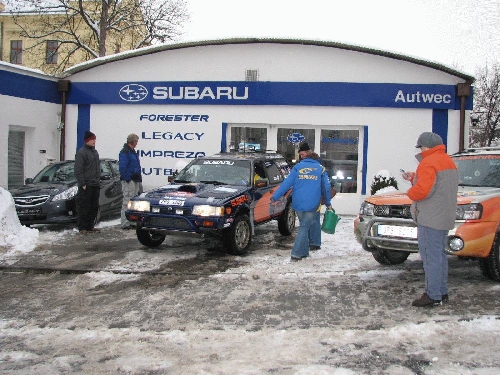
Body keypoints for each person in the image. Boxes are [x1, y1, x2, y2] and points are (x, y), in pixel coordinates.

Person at [402, 132, 458, 307]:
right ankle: (441, 291)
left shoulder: (428, 162)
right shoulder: (448, 161)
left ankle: (433, 295)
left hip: (430, 217)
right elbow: (437, 184)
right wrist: (413, 178)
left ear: (427, 146)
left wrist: (410, 192)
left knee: (430, 257)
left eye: (421, 146)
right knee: (439, 256)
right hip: (444, 216)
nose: (421, 149)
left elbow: (423, 191)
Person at [271, 152, 332, 261]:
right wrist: (328, 203)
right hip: (312, 204)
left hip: (298, 203)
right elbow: (326, 188)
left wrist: (275, 196)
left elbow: (286, 183)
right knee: (304, 227)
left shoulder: (297, 167)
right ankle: (296, 253)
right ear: (316, 159)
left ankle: (304, 252)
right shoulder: (320, 169)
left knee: (304, 225)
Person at [74, 130, 101, 234]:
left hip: (95, 183)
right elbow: (78, 169)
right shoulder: (81, 152)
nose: (94, 141)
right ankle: (82, 227)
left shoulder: (95, 152)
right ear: (87, 140)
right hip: (86, 184)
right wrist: (82, 183)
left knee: (93, 206)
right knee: (84, 206)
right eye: (92, 139)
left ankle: (90, 225)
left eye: (94, 139)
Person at [119, 133, 142, 229]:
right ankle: (125, 222)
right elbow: (123, 167)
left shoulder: (132, 151)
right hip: (129, 180)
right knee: (127, 201)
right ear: (133, 141)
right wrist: (128, 178)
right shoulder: (125, 152)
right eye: (136, 141)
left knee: (133, 202)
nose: (137, 143)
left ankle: (132, 220)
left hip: (135, 179)